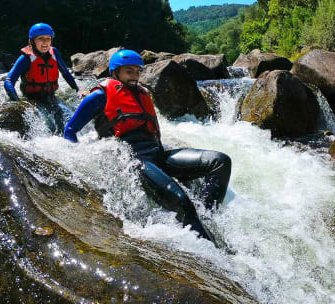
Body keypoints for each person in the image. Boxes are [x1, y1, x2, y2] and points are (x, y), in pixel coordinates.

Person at [63, 49, 232, 245]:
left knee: (220, 161)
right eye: (129, 71)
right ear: (115, 73)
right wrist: (75, 162)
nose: (135, 76)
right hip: (136, 161)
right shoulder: (100, 95)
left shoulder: (142, 93)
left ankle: (206, 219)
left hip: (158, 154)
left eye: (138, 71)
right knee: (181, 200)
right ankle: (216, 252)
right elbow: (70, 130)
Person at [4, 23, 86, 133]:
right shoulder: (25, 58)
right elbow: (9, 81)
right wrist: (17, 102)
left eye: (48, 39)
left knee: (68, 118)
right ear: (32, 41)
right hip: (32, 98)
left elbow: (65, 73)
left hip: (50, 96)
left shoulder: (54, 53)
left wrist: (77, 89)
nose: (45, 42)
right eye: (40, 38)